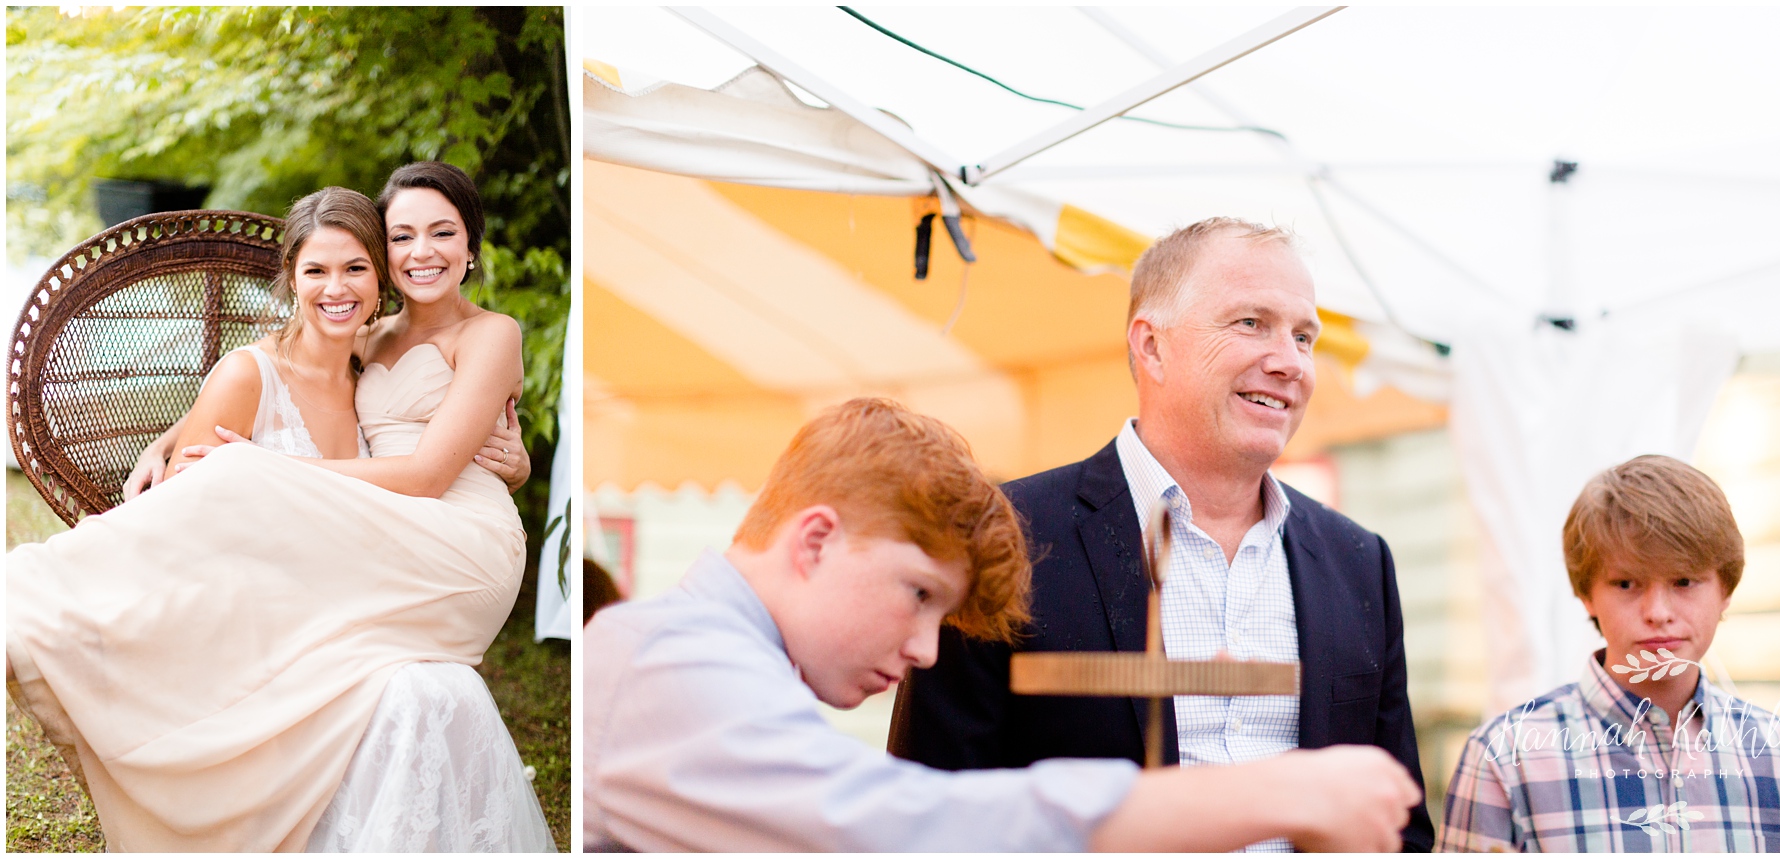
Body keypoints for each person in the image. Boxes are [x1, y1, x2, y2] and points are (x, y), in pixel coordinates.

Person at [582, 397, 1423, 852]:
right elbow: (909, 833)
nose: (923, 650)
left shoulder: (726, 668)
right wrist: (1276, 790)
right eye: (918, 594)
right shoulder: (668, 660)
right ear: (815, 540)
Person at [6, 169, 552, 851]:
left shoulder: (492, 332)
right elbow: (274, 368)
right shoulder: (374, 337)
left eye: (443, 232)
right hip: (395, 533)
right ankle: (50, 602)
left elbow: (429, 468)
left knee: (240, 475)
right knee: (238, 496)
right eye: (404, 234)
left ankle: (37, 589)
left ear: (472, 246)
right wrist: (170, 435)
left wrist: (264, 465)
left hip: (461, 541)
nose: (423, 250)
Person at [889, 217, 1433, 851]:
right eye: (1250, 323)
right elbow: (932, 813)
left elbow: (1402, 826)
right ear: (1150, 346)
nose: (1290, 363)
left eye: (1305, 337)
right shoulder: (1005, 535)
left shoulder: (1359, 560)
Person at [1437, 455, 1780, 852]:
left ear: (1726, 590)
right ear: (1586, 594)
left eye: (1684, 581)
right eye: (1627, 584)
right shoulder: (1506, 758)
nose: (1658, 613)